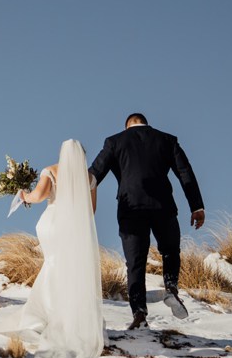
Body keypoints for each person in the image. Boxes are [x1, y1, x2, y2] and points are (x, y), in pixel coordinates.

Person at [88, 113, 205, 330]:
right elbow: (185, 173)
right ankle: (170, 288)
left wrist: (69, 183)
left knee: (135, 263)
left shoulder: (114, 142)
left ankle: (139, 313)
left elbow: (93, 176)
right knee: (170, 250)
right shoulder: (167, 140)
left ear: (127, 127)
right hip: (163, 206)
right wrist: (196, 206)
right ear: (145, 123)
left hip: (131, 208)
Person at [12, 139, 106, 358]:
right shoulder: (91, 179)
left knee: (53, 263)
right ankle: (70, 317)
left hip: (53, 225)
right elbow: (90, 211)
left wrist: (22, 194)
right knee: (72, 269)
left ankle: (44, 315)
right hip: (77, 227)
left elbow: (39, 196)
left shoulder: (51, 171)